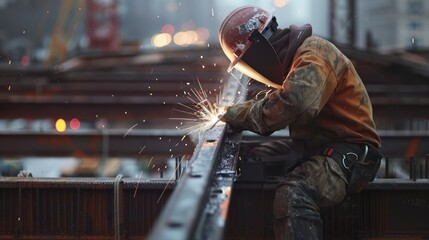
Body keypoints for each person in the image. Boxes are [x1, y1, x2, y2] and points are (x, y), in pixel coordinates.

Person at [218, 6, 383, 240]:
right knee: (255, 157)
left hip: (347, 156)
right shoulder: (297, 60)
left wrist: (236, 115)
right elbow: (277, 101)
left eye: (248, 62)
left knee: (295, 192)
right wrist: (232, 114)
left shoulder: (314, 55)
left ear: (259, 47)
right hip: (318, 147)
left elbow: (295, 104)